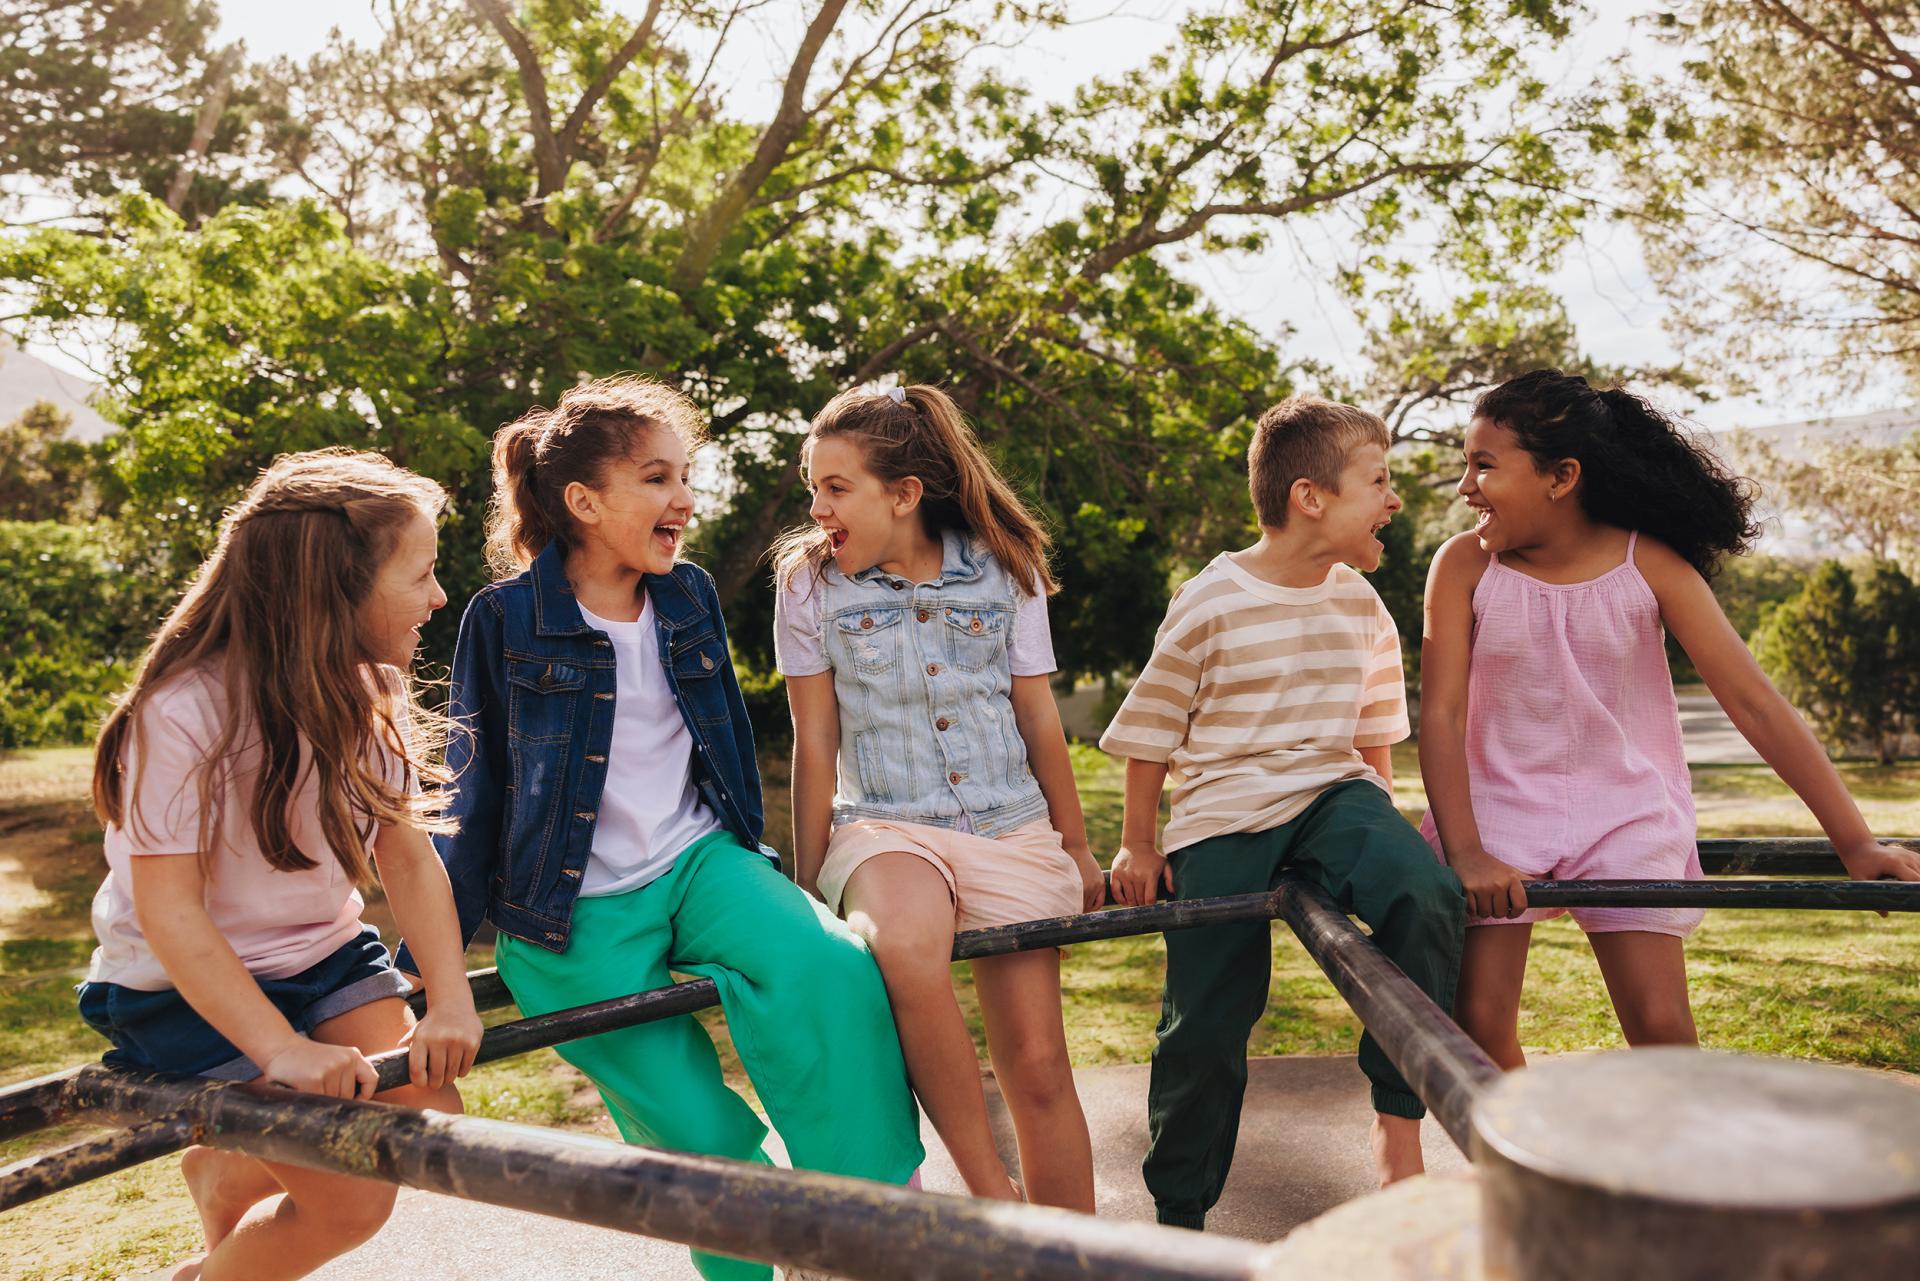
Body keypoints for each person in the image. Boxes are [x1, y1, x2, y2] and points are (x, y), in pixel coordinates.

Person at [421, 375, 922, 1281]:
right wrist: (435, 964)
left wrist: (763, 867)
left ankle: (870, 1233)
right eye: (657, 478)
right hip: (568, 912)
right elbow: (469, 792)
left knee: (834, 967)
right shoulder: (504, 619)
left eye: (684, 475)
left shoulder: (686, 593)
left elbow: (723, 737)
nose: (683, 499)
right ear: (583, 501)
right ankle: (757, 1254)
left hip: (700, 861)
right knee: (697, 1140)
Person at [1419, 368, 1920, 1069]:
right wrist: (1467, 851)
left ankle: (1688, 1176)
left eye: (1484, 466)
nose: (1466, 487)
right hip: (1495, 809)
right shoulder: (1464, 565)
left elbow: (1756, 704)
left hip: (1624, 811)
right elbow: (1439, 716)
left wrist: (1856, 843)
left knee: (1660, 1026)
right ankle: (1519, 1169)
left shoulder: (1647, 563)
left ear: (1561, 477)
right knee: (1476, 1020)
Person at [78, 449, 482, 1281]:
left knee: (429, 1106)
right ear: (336, 589)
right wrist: (279, 1051)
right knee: (352, 1200)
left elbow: (407, 856)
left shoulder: (365, 694)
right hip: (178, 985)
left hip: (317, 956)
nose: (439, 597)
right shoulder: (182, 713)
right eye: (424, 574)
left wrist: (448, 999)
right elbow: (172, 913)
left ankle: (227, 1165)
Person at [1104, 396, 1466, 1225]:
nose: (1394, 499)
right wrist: (1135, 843)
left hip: (1334, 796)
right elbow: (1152, 731)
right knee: (1206, 1016)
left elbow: (1374, 736)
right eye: (1378, 481)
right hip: (1225, 812)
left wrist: (1382, 837)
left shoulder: (1360, 604)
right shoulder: (1210, 600)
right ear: (1312, 497)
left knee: (1428, 893)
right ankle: (1182, 1211)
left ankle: (1397, 1116)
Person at [775, 383, 1100, 1210]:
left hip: (1008, 823)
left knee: (1036, 1062)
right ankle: (995, 1203)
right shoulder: (807, 584)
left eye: (835, 487)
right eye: (812, 486)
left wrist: (1076, 840)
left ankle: (1079, 1258)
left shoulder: (1006, 569)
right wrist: (812, 878)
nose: (817, 507)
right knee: (905, 946)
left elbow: (1037, 712)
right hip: (887, 827)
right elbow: (814, 742)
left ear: (905, 493)